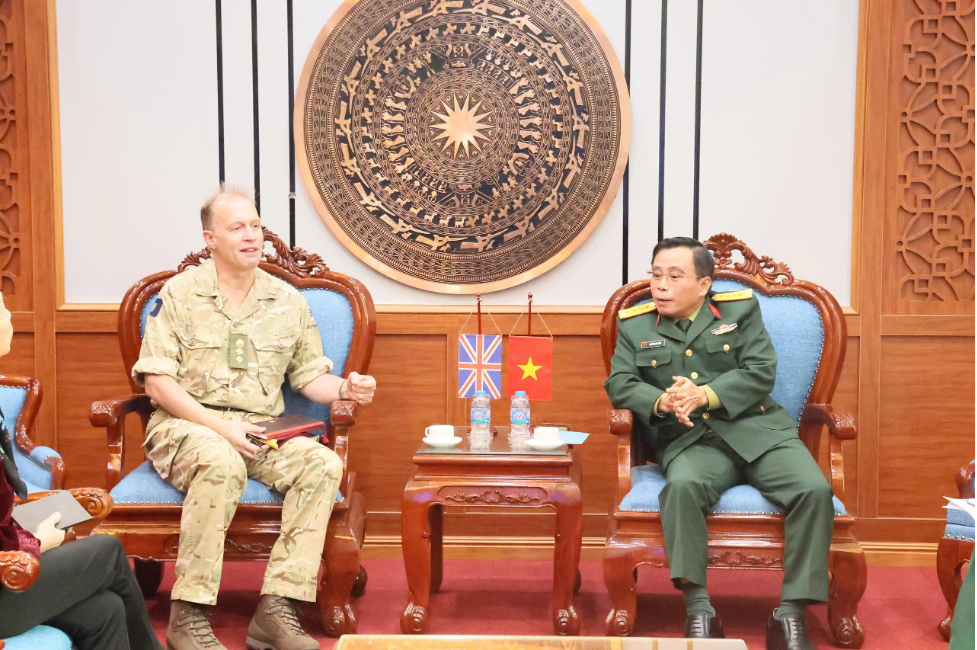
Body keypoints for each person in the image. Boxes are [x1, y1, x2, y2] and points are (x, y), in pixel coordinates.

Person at [135, 187, 377, 650]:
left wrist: (347, 388)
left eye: (255, 226)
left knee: (322, 464)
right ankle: (189, 614)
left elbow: (310, 378)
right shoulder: (180, 295)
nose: (252, 236)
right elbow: (157, 384)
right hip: (187, 427)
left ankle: (278, 609)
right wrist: (220, 428)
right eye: (237, 228)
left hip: (260, 431)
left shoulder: (286, 300)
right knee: (220, 461)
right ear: (210, 239)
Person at [604, 237, 834, 650]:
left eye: (675, 276)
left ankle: (790, 613)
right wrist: (660, 401)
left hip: (758, 431)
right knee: (682, 488)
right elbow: (620, 382)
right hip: (692, 440)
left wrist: (704, 395)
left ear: (704, 284)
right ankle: (699, 609)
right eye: (656, 275)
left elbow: (761, 371)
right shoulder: (634, 323)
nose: (661, 286)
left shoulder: (739, 310)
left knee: (813, 489)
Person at [0, 291, 162, 649]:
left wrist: (28, 525)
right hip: (5, 578)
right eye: (2, 306)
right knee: (108, 550)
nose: (9, 314)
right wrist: (39, 542)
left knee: (106, 610)